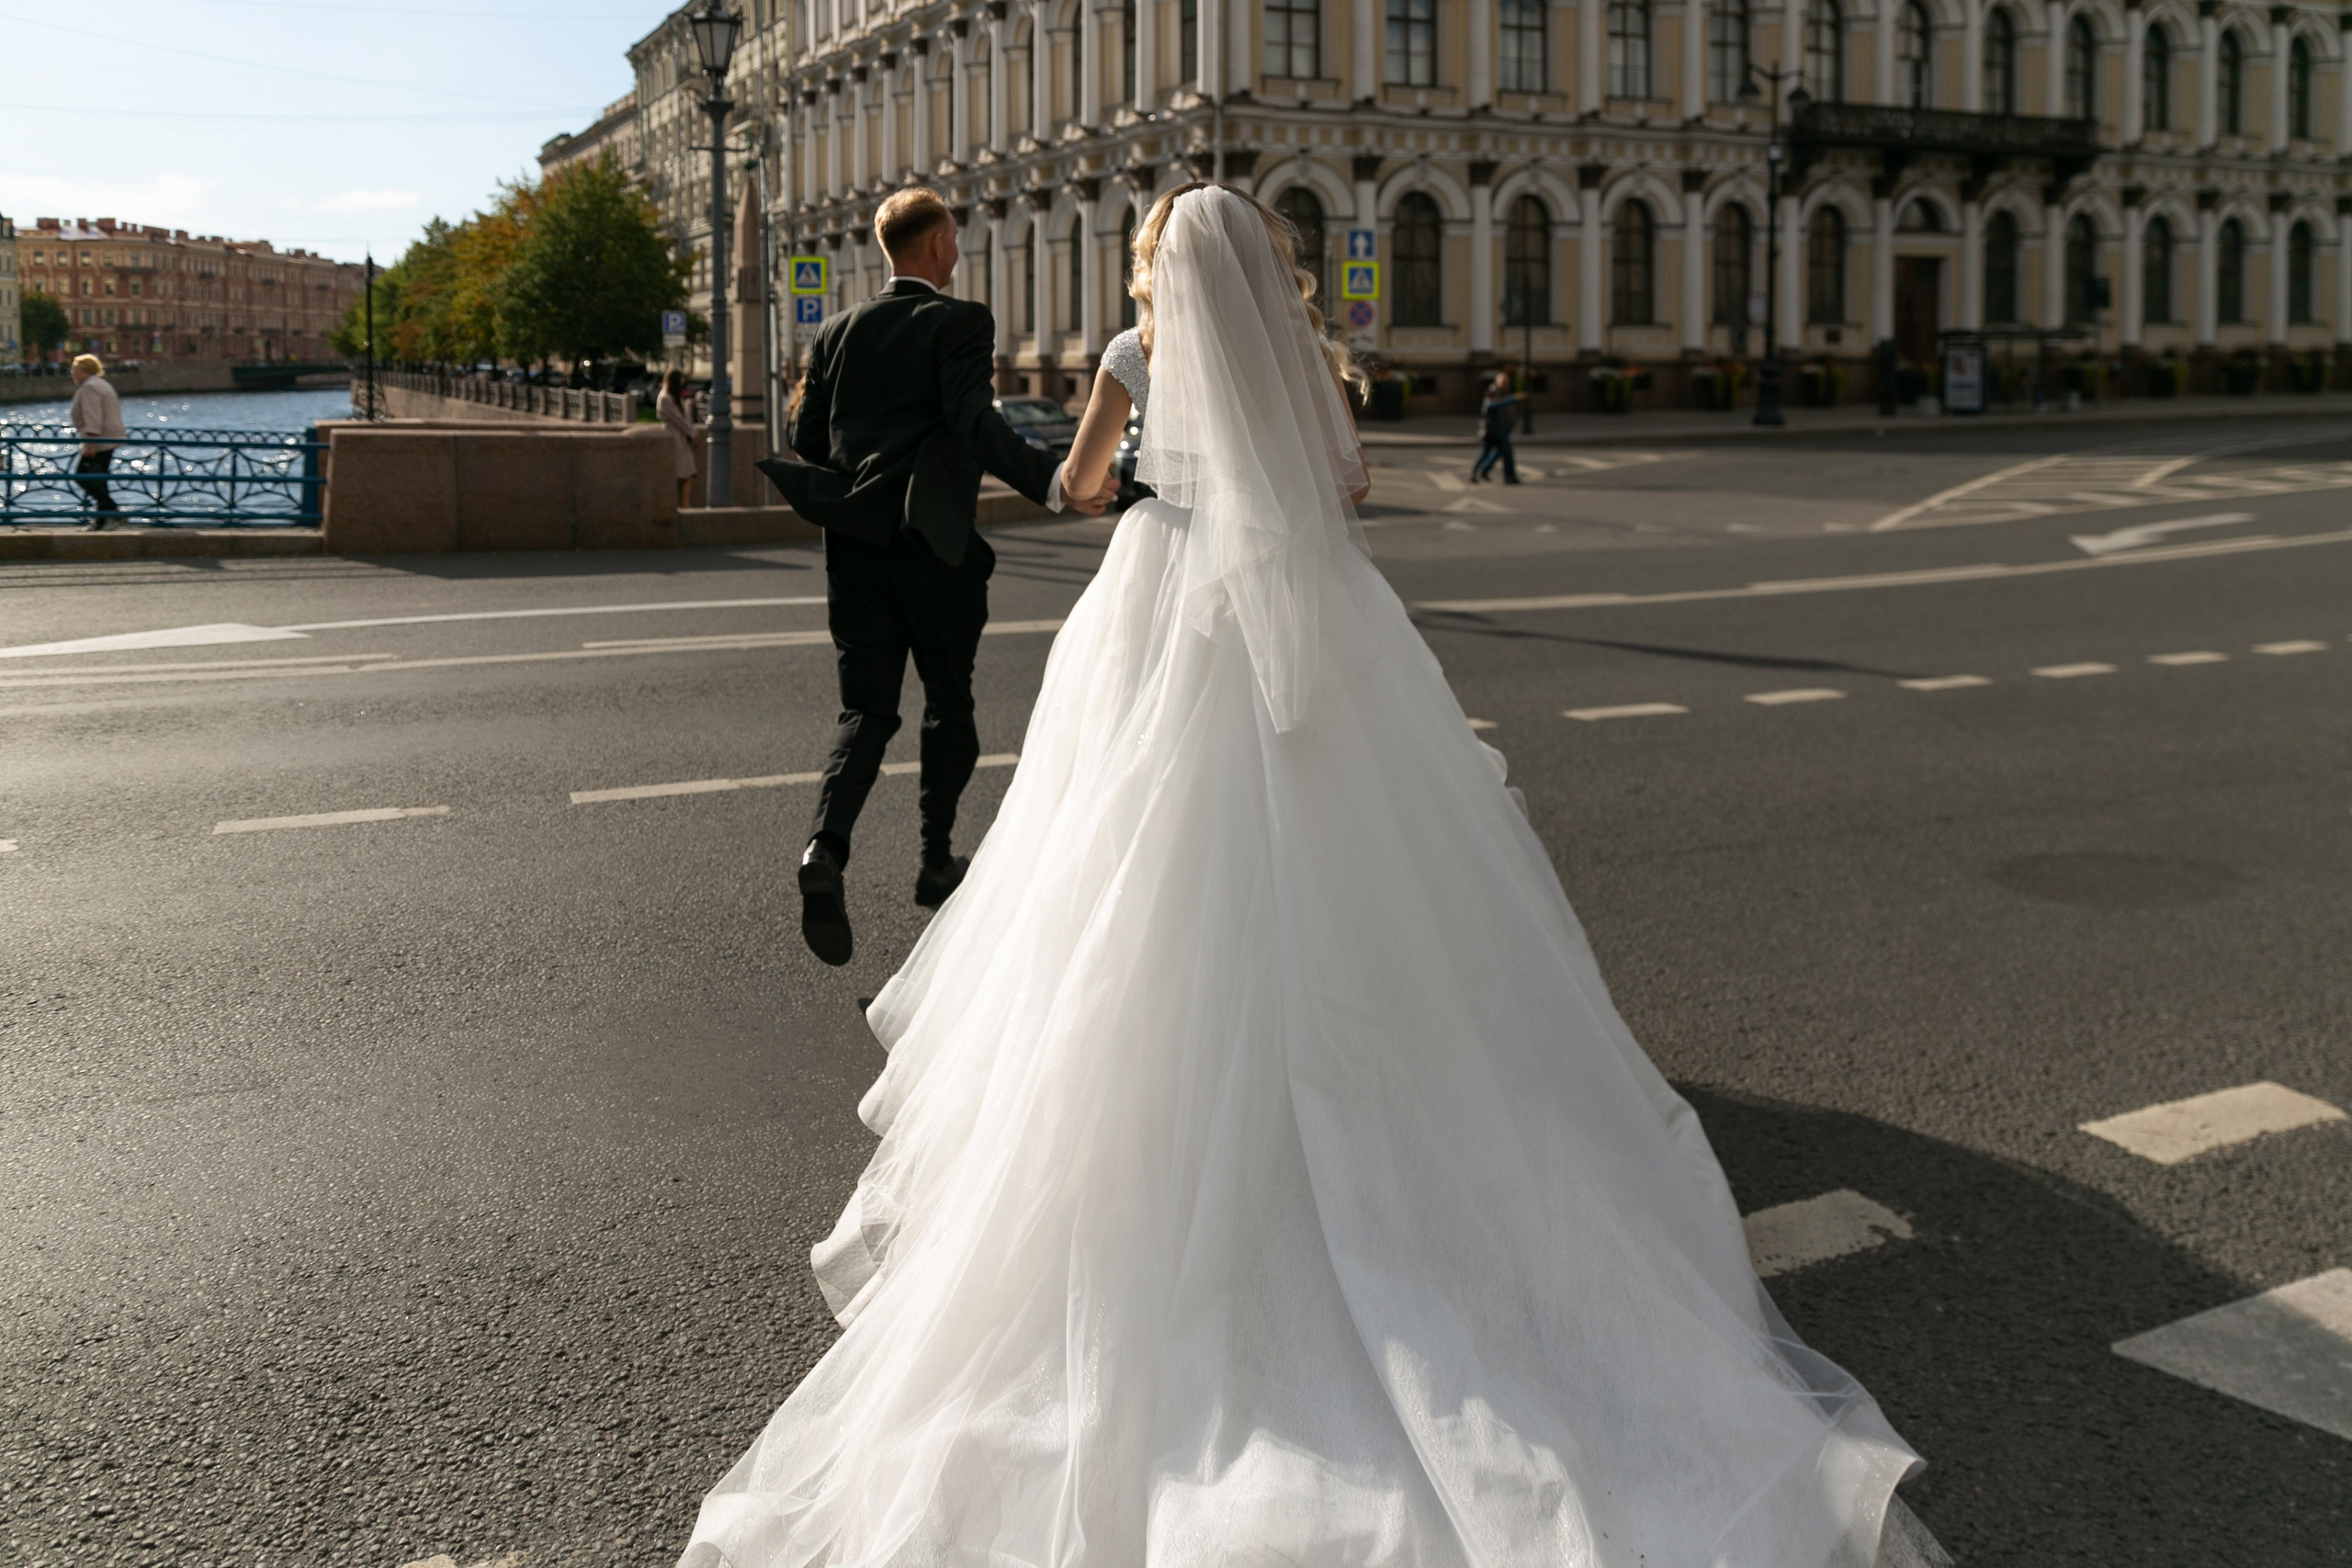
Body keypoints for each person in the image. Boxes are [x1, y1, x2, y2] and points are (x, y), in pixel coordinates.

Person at [680, 186, 1946, 1568]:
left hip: (1159, 611)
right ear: (1262, 269)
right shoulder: (1296, 351)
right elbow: (1343, 483)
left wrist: (1147, 475)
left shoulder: (1124, 355)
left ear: (1160, 268)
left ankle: (1140, 1153)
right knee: (1375, 872)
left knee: (1123, 871)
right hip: (1308, 608)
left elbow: (1084, 490)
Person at [757, 187, 1112, 968]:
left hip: (854, 549)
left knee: (866, 711)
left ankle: (825, 848)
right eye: (954, 236)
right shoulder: (959, 321)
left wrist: (870, 457)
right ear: (940, 243)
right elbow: (974, 422)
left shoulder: (840, 331)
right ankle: (934, 858)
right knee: (948, 703)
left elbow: (806, 436)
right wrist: (1056, 484)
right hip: (933, 546)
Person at [68, 354, 126, 528]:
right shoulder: (99, 383)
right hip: (108, 437)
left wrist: (90, 443)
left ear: (84, 370)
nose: (72, 373)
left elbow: (92, 415)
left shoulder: (90, 387)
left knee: (82, 476)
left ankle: (114, 512)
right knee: (98, 480)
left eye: (74, 369)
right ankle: (102, 520)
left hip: (99, 440)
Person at [655, 369, 699, 511]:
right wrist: (691, 432)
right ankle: (683, 505)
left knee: (687, 473)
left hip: (680, 439)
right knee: (683, 473)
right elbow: (678, 419)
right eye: (680, 379)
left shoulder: (672, 396)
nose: (682, 382)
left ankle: (684, 504)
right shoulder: (665, 398)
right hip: (675, 438)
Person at [1471, 368, 1520, 483]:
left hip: (1502, 431)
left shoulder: (1505, 393)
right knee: (1488, 454)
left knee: (1503, 454)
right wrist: (1513, 398)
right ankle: (1475, 472)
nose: (1505, 384)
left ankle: (1495, 473)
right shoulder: (1493, 393)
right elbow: (1493, 405)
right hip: (1492, 432)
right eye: (1503, 382)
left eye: (1507, 382)